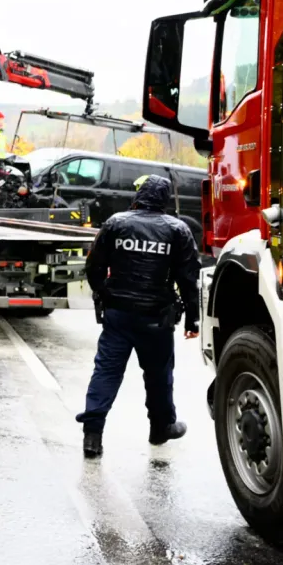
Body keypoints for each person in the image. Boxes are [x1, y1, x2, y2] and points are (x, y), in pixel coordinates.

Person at [77, 174, 201, 458]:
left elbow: (94, 265)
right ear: (164, 200)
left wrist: (104, 293)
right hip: (156, 319)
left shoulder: (116, 223)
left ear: (138, 196)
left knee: (106, 372)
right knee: (159, 376)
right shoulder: (177, 230)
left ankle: (92, 436)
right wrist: (193, 320)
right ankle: (160, 429)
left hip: (118, 315)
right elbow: (188, 279)